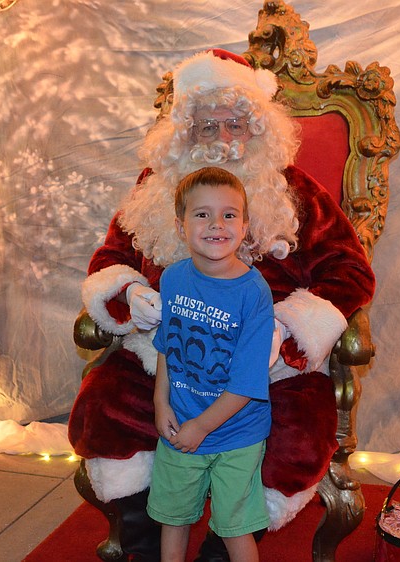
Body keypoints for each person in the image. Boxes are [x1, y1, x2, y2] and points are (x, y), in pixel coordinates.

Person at [68, 48, 375, 560]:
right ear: (183, 134)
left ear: (259, 129)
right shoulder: (154, 187)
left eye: (236, 123)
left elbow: (350, 270)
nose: (223, 140)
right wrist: (130, 294)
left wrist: (290, 331)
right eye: (207, 128)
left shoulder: (293, 191)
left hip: (268, 360)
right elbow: (111, 258)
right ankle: (142, 540)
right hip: (166, 349)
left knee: (298, 436)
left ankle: (224, 546)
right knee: (106, 407)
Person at [148, 166, 273, 561]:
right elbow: (168, 345)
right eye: (202, 214)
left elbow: (246, 383)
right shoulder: (172, 279)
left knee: (235, 527)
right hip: (181, 422)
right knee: (174, 517)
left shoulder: (253, 294)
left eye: (229, 214)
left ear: (245, 225)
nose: (216, 224)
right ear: (181, 226)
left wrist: (202, 427)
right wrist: (160, 402)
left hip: (236, 434)